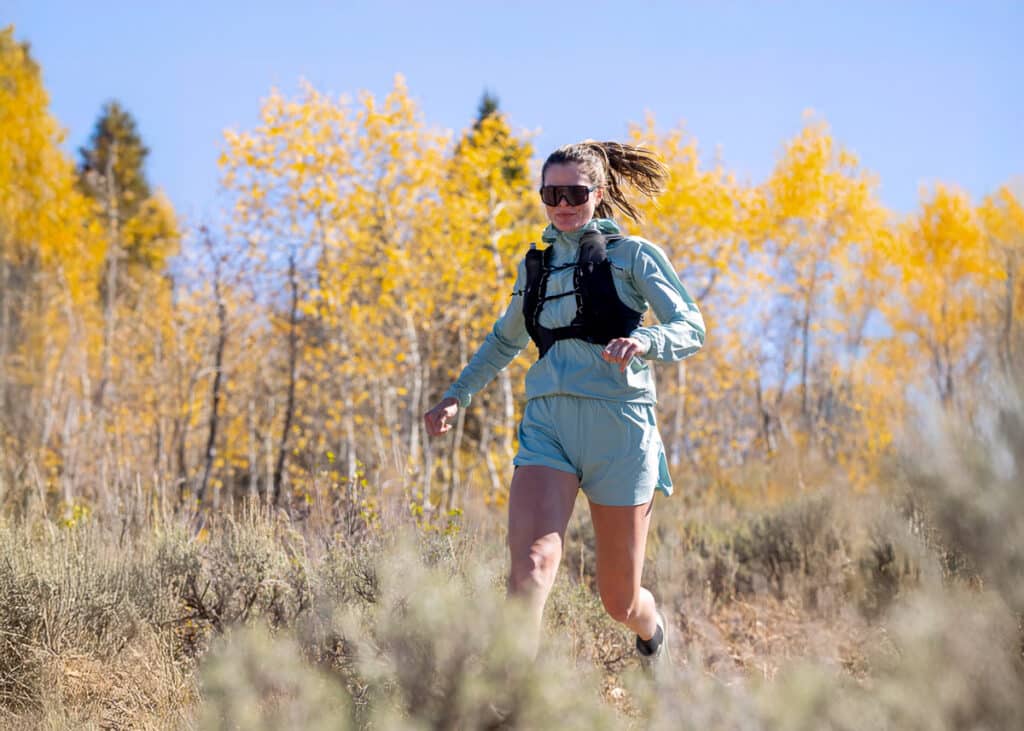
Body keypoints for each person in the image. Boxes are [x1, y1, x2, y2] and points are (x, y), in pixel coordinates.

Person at [424, 140, 705, 666]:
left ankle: (653, 634)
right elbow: (504, 341)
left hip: (621, 432)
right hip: (548, 426)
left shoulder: (633, 255)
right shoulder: (536, 267)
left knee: (619, 602)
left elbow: (691, 326)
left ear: (597, 194)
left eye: (574, 193)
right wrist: (456, 395)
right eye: (551, 194)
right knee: (530, 569)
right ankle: (515, 696)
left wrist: (646, 340)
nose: (562, 204)